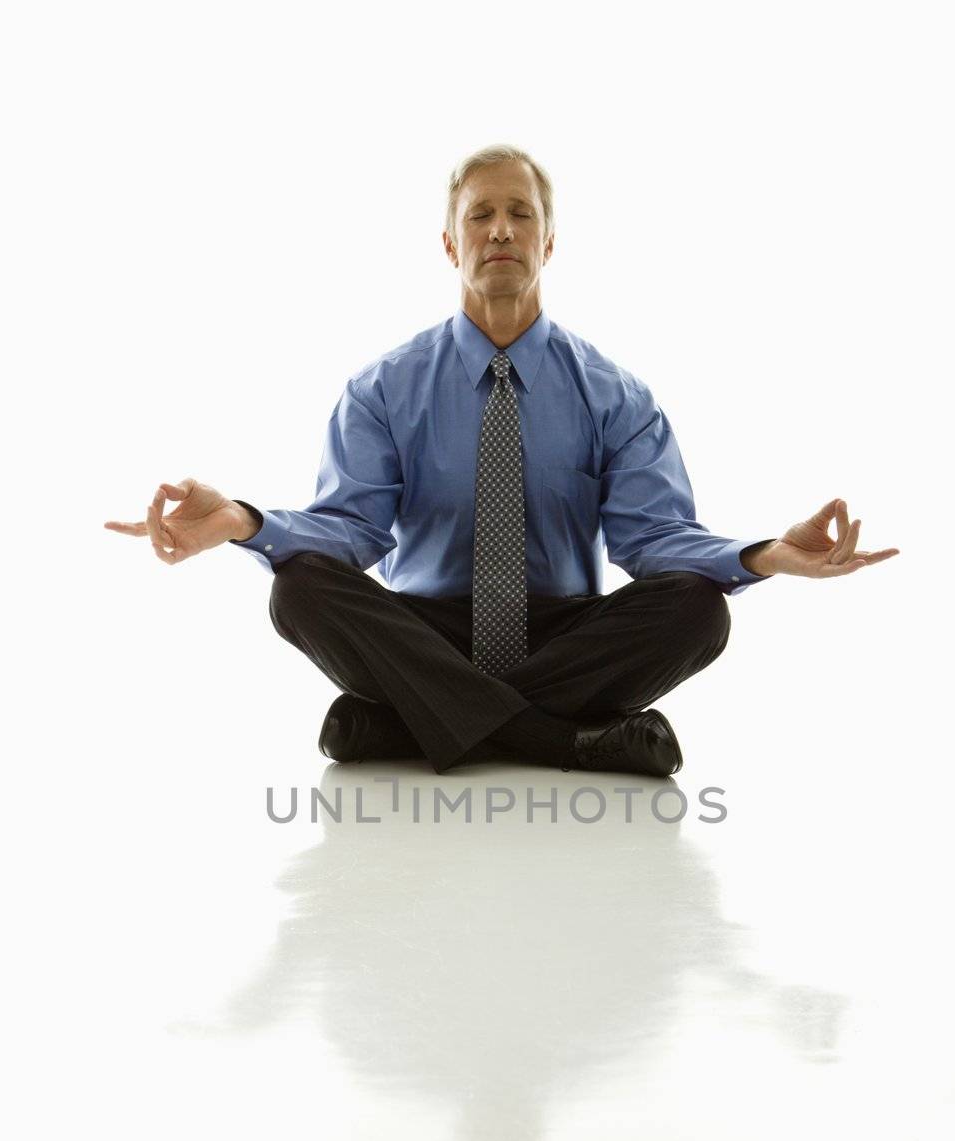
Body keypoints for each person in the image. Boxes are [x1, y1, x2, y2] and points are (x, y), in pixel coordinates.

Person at [105, 144, 898, 778]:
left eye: (520, 214)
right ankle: (566, 744)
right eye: (480, 215)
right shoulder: (382, 388)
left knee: (698, 607)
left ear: (548, 241)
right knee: (301, 587)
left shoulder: (616, 396)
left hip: (564, 634)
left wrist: (762, 555)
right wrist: (244, 522)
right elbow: (348, 531)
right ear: (450, 242)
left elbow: (653, 542)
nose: (500, 230)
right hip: (426, 630)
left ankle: (404, 722)